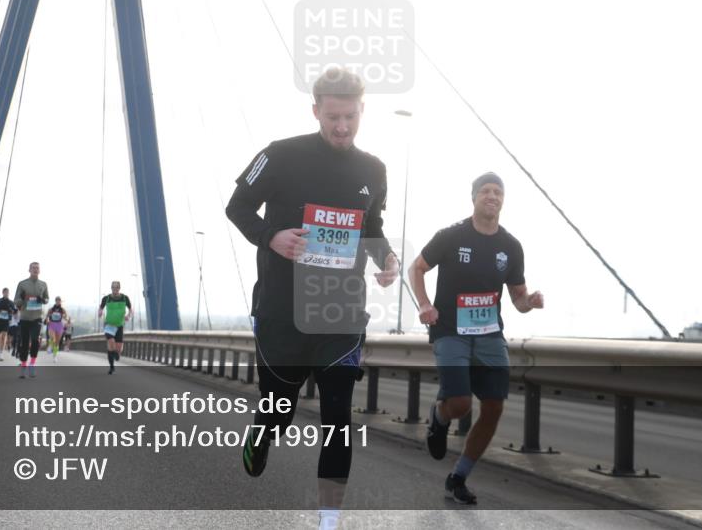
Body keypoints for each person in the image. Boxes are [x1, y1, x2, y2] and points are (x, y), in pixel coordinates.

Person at [225, 67, 399, 528]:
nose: (342, 127)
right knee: (279, 409)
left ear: (363, 110)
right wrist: (271, 237)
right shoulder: (280, 155)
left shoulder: (374, 170)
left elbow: (372, 228)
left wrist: (386, 259)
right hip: (282, 310)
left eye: (350, 117)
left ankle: (328, 520)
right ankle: (262, 435)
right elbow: (236, 207)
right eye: (333, 117)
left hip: (340, 312)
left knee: (338, 416)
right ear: (316, 110)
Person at [409, 172, 544, 504]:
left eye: (498, 192)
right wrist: (425, 305)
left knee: (494, 407)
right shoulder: (451, 236)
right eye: (485, 191)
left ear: (503, 200)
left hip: (489, 335)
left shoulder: (510, 246)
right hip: (451, 331)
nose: (492, 196)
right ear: (473, 198)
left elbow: (518, 298)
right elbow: (417, 268)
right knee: (459, 404)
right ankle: (439, 419)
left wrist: (530, 303)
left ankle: (458, 477)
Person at [14, 262, 49, 378]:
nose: (35, 269)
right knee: (24, 343)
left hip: (37, 318)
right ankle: (23, 365)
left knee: (35, 341)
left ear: (39, 271)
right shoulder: (22, 284)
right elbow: (16, 300)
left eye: (37, 268)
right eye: (33, 268)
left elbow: (47, 299)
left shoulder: (43, 284)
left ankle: (32, 364)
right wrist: (22, 299)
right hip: (24, 317)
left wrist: (42, 300)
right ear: (29, 270)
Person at [98, 282, 131, 374]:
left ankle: (116, 354)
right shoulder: (106, 298)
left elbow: (131, 309)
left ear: (119, 288)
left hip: (119, 326)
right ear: (111, 288)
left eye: (117, 288)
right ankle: (112, 368)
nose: (115, 289)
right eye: (113, 288)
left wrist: (128, 315)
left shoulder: (125, 298)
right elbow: (100, 308)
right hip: (109, 325)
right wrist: (100, 312)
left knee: (118, 349)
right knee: (111, 343)